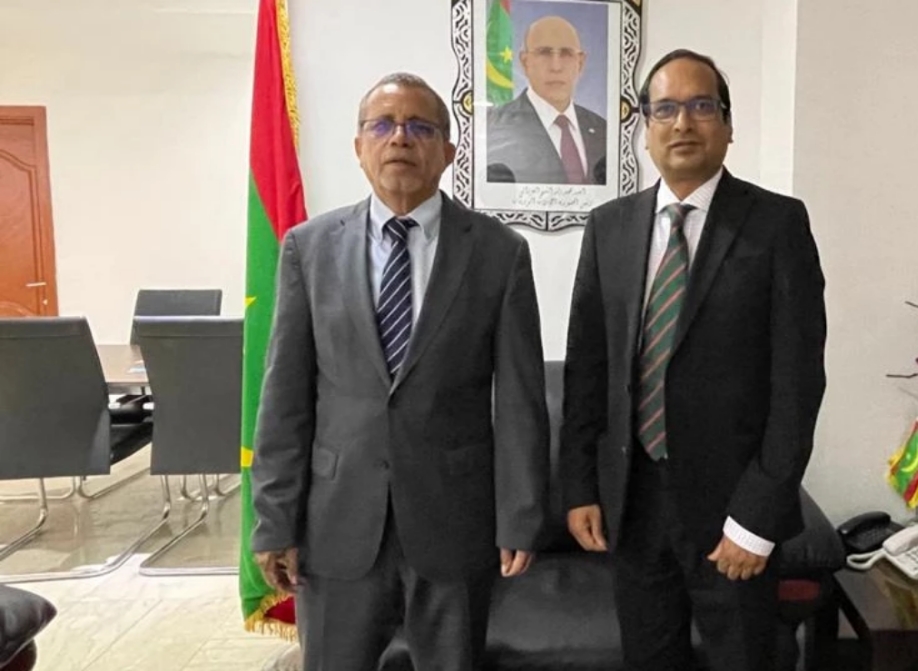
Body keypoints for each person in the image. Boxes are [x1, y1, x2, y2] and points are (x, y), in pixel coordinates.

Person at [250, 72, 549, 671]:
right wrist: (274, 519)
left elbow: (520, 399)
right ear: (359, 147)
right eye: (382, 125)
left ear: (449, 151)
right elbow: (285, 396)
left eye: (420, 127)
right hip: (336, 522)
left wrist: (520, 515)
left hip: (453, 521)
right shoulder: (309, 248)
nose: (400, 138)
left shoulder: (499, 252)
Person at [559, 49, 827, 671]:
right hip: (633, 505)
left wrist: (756, 519)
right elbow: (587, 371)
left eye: (702, 106)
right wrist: (580, 487)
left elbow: (797, 385)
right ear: (644, 128)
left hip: (732, 510)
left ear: (728, 126)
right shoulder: (609, 227)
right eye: (666, 109)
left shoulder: (776, 225)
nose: (682, 123)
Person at [487, 15, 607, 185]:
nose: (556, 67)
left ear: (580, 63)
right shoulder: (493, 126)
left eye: (566, 53)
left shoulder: (603, 130)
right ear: (525, 62)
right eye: (544, 53)